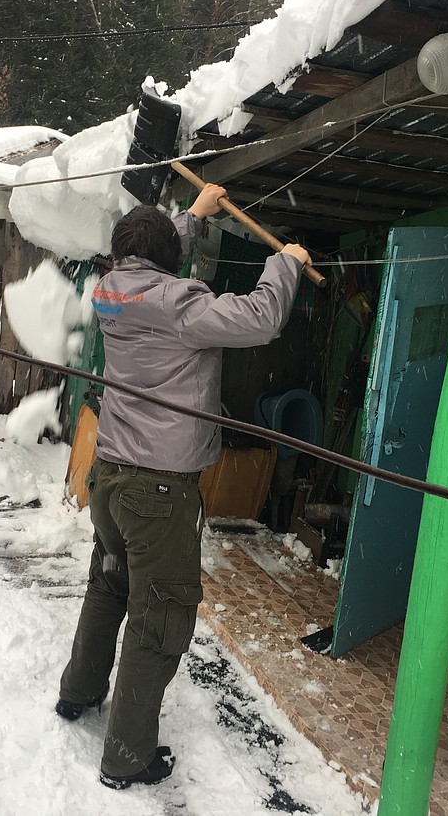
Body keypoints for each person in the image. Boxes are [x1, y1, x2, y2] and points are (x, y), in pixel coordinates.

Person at [56, 184, 312, 789]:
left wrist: (191, 219)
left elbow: (149, 256)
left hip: (112, 479)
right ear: (165, 259)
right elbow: (260, 318)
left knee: (109, 586)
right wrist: (287, 263)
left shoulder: (110, 291)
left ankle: (78, 694)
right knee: (161, 616)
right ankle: (127, 756)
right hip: (160, 492)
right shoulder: (179, 305)